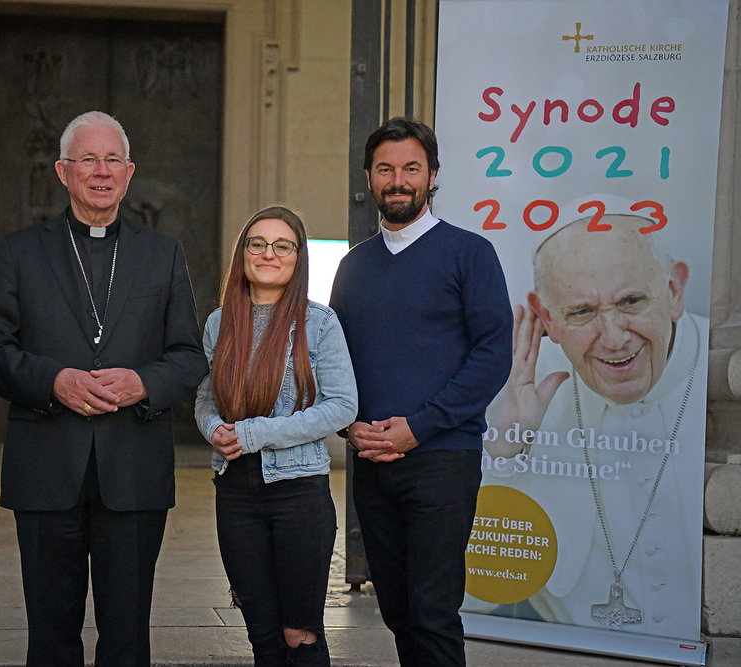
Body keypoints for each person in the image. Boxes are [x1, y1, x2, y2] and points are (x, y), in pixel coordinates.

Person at [0, 110, 207, 666]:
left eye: (112, 161)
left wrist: (141, 383)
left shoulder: (163, 253)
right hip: (46, 469)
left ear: (129, 173)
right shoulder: (21, 250)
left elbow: (189, 357)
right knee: (50, 638)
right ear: (62, 170)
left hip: (134, 471)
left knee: (127, 638)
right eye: (87, 159)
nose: (101, 172)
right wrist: (53, 380)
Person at [329, 116, 513, 666]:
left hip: (441, 459)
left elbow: (492, 357)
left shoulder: (470, 254)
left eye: (412, 168)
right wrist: (348, 424)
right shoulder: (353, 266)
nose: (398, 179)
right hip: (373, 461)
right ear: (369, 178)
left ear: (433, 176)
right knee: (397, 610)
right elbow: (333, 362)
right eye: (385, 169)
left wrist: (419, 426)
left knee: (433, 613)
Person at [482, 207, 708, 639]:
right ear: (546, 317)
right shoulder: (516, 384)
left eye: (632, 302)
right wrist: (503, 452)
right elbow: (477, 594)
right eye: (582, 312)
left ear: (675, 290)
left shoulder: (720, 370)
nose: (614, 338)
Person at [194, 206, 358, 666]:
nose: (269, 253)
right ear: (242, 254)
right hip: (235, 492)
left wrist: (254, 433)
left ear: (297, 258)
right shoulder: (218, 322)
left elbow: (343, 406)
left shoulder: (320, 323)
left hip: (298, 494)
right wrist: (215, 431)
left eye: (282, 245)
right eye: (257, 243)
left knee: (298, 634)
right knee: (262, 634)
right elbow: (205, 400)